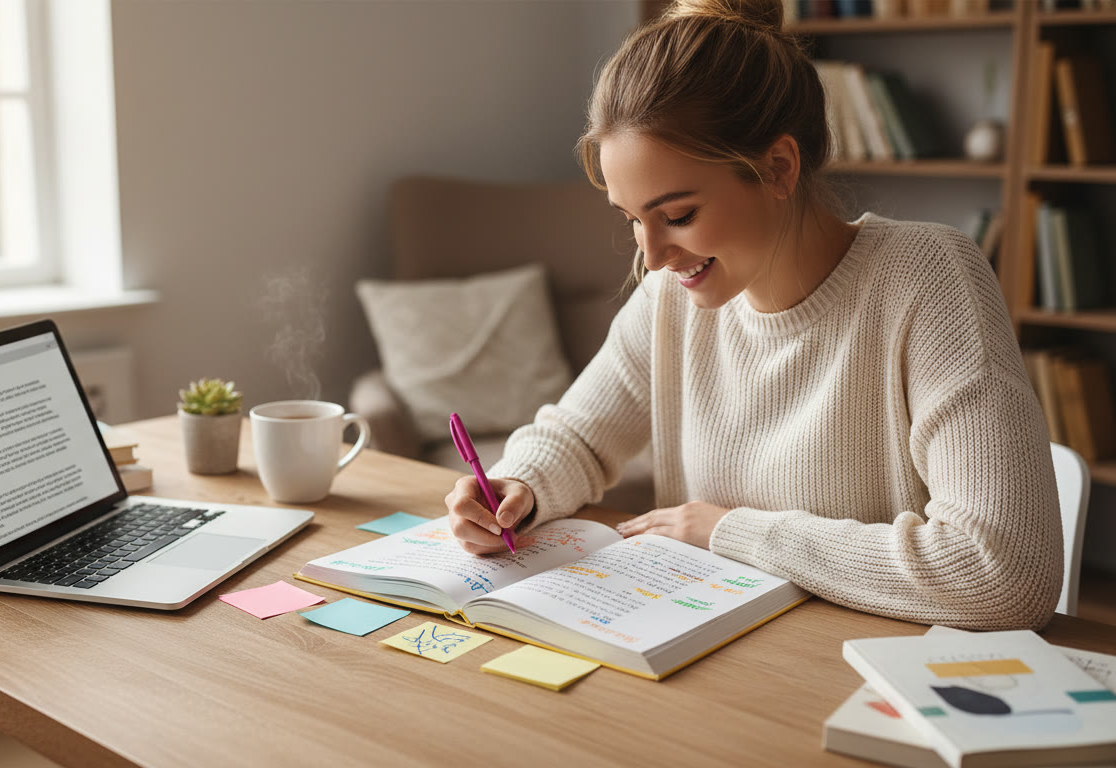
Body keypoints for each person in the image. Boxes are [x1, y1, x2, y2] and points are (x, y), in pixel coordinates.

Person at [444, 0, 1062, 631]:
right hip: (707, 657)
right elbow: (576, 435)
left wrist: (729, 532)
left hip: (863, 674)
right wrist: (518, 486)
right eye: (632, 219)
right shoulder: (672, 298)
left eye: (678, 216)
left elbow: (1003, 573)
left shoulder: (928, 279)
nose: (652, 257)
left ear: (778, 168)